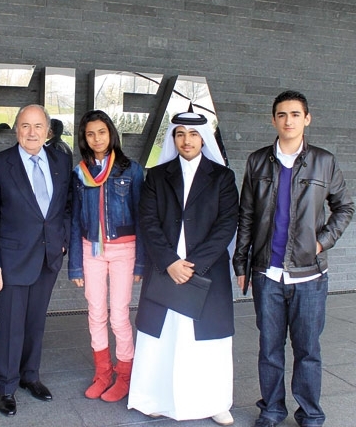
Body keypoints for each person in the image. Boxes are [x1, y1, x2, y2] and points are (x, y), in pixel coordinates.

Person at [233, 90, 354, 427]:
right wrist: (241, 264)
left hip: (309, 276)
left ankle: (310, 413)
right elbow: (246, 215)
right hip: (267, 273)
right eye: (282, 115)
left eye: (296, 114)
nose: (289, 121)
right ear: (273, 120)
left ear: (307, 119)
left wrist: (322, 241)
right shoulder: (257, 161)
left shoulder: (324, 161)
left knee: (307, 350)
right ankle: (271, 410)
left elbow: (344, 206)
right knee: (269, 349)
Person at [127, 112, 238, 426]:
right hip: (166, 269)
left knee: (207, 338)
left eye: (193, 134)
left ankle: (214, 402)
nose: (186, 140)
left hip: (206, 271)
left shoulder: (223, 177)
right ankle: (154, 397)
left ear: (204, 138)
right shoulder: (157, 176)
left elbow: (227, 223)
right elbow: (148, 222)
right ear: (173, 138)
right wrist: (170, 262)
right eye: (180, 134)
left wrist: (194, 265)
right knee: (163, 336)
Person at [0, 104, 72, 417]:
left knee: (35, 322)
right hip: (11, 260)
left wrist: (63, 239)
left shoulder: (61, 160)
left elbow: (66, 206)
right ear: (16, 129)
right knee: (11, 326)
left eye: (38, 126)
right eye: (25, 126)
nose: (32, 133)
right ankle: (7, 387)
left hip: (48, 257)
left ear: (48, 130)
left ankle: (31, 375)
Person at [68, 110, 144, 402]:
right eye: (90, 134)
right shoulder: (80, 172)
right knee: (96, 312)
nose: (97, 138)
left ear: (111, 133)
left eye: (101, 132)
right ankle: (103, 373)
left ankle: (125, 375)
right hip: (92, 250)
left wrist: (141, 262)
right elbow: (75, 220)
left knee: (119, 315)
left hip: (124, 250)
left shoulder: (131, 170)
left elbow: (142, 218)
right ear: (84, 138)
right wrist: (75, 266)